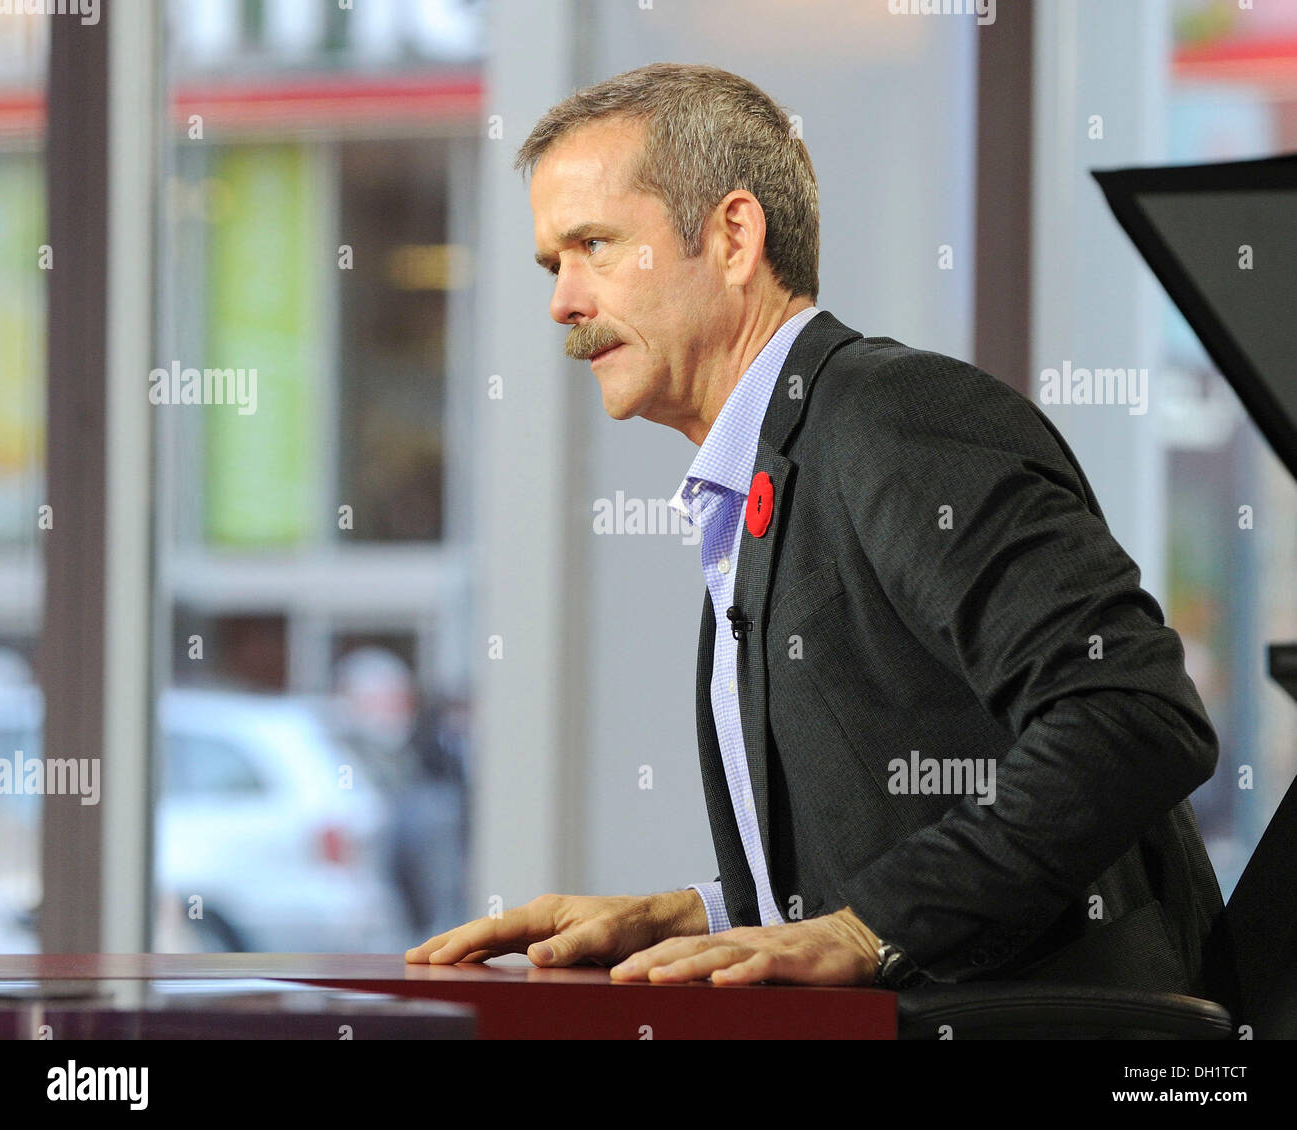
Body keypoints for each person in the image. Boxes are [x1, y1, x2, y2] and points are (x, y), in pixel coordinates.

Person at [407, 63, 1223, 991]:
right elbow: (871, 846)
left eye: (594, 244)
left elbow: (1133, 715)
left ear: (733, 236)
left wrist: (873, 929)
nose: (563, 301)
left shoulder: (895, 415)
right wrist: (690, 916)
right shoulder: (762, 467)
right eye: (556, 264)